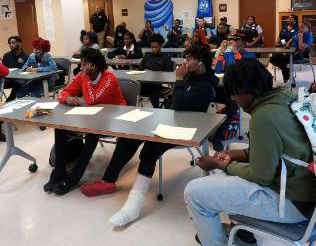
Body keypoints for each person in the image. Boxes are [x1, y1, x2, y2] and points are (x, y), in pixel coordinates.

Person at [185, 59, 316, 246]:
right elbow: (276, 150)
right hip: (311, 195)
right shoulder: (285, 97)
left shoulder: (264, 116)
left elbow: (261, 177)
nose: (233, 99)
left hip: (293, 204)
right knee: (224, 168)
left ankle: (216, 242)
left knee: (194, 193)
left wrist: (223, 165)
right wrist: (234, 156)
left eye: (234, 94)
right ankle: (244, 235)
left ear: (244, 91)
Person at [79, 45, 218, 228]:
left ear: (200, 63)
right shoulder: (191, 78)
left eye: (188, 59)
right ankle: (109, 180)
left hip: (187, 130)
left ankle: (133, 206)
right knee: (131, 135)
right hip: (171, 121)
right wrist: (181, 83)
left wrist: (178, 80)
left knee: (150, 149)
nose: (184, 62)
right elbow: (176, 105)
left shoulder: (206, 85)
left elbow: (179, 105)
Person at [43, 48, 127, 196]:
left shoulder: (109, 78)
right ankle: (60, 171)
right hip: (92, 115)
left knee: (92, 132)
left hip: (114, 117)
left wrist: (85, 79)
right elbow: (64, 92)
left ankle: (76, 174)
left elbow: (91, 99)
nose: (80, 68)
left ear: (93, 66)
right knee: (60, 126)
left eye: (83, 64)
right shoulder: (84, 75)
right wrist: (67, 98)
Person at [138, 33, 174, 108]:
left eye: (156, 47)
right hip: (145, 83)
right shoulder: (147, 56)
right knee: (133, 86)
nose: (154, 49)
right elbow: (140, 69)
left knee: (153, 89)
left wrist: (152, 72)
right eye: (152, 47)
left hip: (157, 85)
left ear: (160, 46)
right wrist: (145, 70)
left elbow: (168, 74)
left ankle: (156, 108)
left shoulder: (166, 58)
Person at [2, 36, 29, 101]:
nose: (11, 45)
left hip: (20, 79)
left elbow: (27, 70)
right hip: (8, 78)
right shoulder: (6, 55)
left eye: (13, 43)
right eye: (9, 43)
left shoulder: (26, 56)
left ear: (20, 44)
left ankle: (10, 100)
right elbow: (3, 68)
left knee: (17, 83)